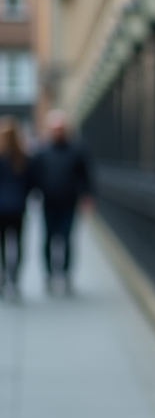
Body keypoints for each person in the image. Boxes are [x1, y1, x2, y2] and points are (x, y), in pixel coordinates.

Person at [31, 110, 92, 295]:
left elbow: (86, 175)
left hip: (68, 202)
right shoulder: (43, 151)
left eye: (60, 129)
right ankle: (49, 274)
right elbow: (34, 175)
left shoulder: (76, 150)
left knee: (66, 238)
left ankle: (65, 274)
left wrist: (87, 195)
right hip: (49, 203)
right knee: (48, 239)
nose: (58, 132)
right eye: (55, 129)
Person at [0, 117, 33, 299]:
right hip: (18, 208)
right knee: (18, 244)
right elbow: (31, 183)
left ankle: (4, 277)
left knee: (3, 245)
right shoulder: (24, 158)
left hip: (1, 209)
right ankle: (15, 278)